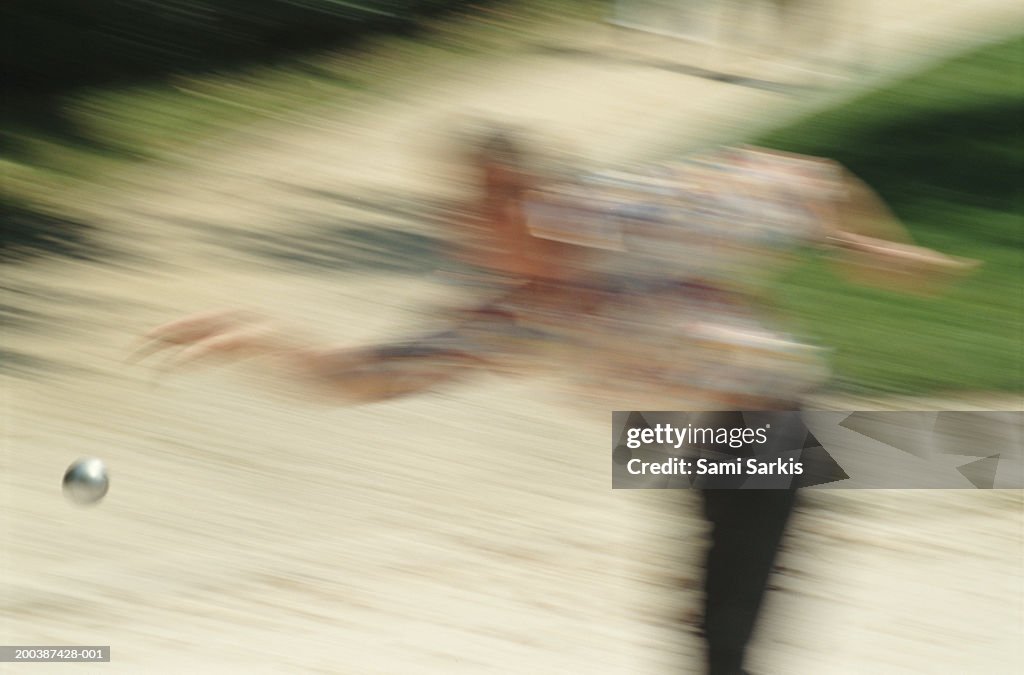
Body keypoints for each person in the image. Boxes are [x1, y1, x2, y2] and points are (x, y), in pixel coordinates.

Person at [137, 125, 976, 673]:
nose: (478, 229)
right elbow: (365, 377)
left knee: (724, 632)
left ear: (545, 200)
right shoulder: (510, 318)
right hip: (685, 434)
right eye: (468, 213)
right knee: (698, 617)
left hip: (773, 416)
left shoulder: (647, 214)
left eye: (498, 206)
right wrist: (256, 338)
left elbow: (807, 181)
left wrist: (867, 245)